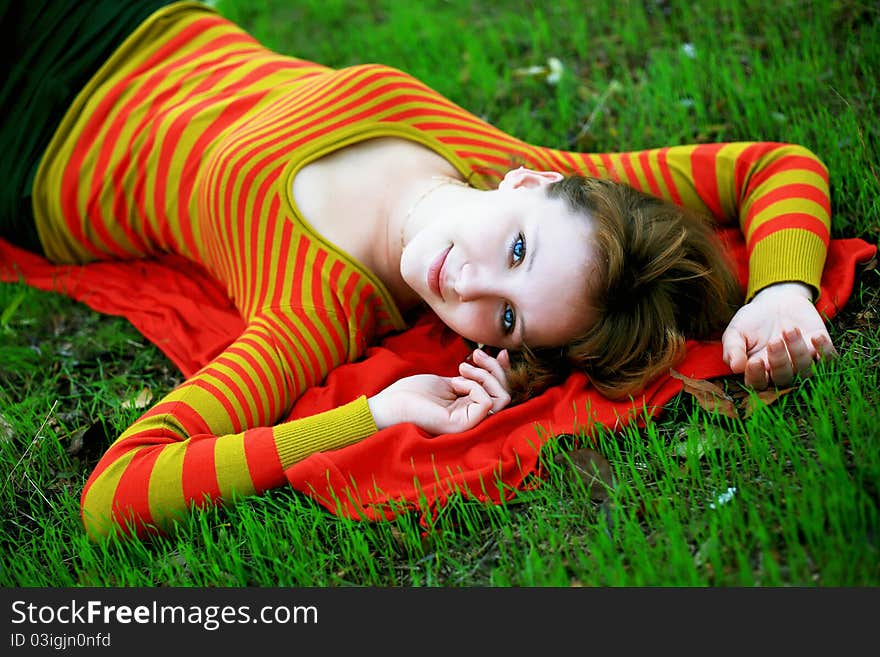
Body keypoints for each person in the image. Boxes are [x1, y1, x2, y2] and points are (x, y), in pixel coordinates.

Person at [0, 1, 837, 540]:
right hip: (136, 21)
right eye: (517, 250)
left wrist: (370, 414)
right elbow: (772, 166)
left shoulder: (312, 313)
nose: (466, 287)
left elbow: (118, 492)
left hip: (31, 149)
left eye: (504, 318)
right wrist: (782, 289)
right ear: (532, 185)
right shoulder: (501, 156)